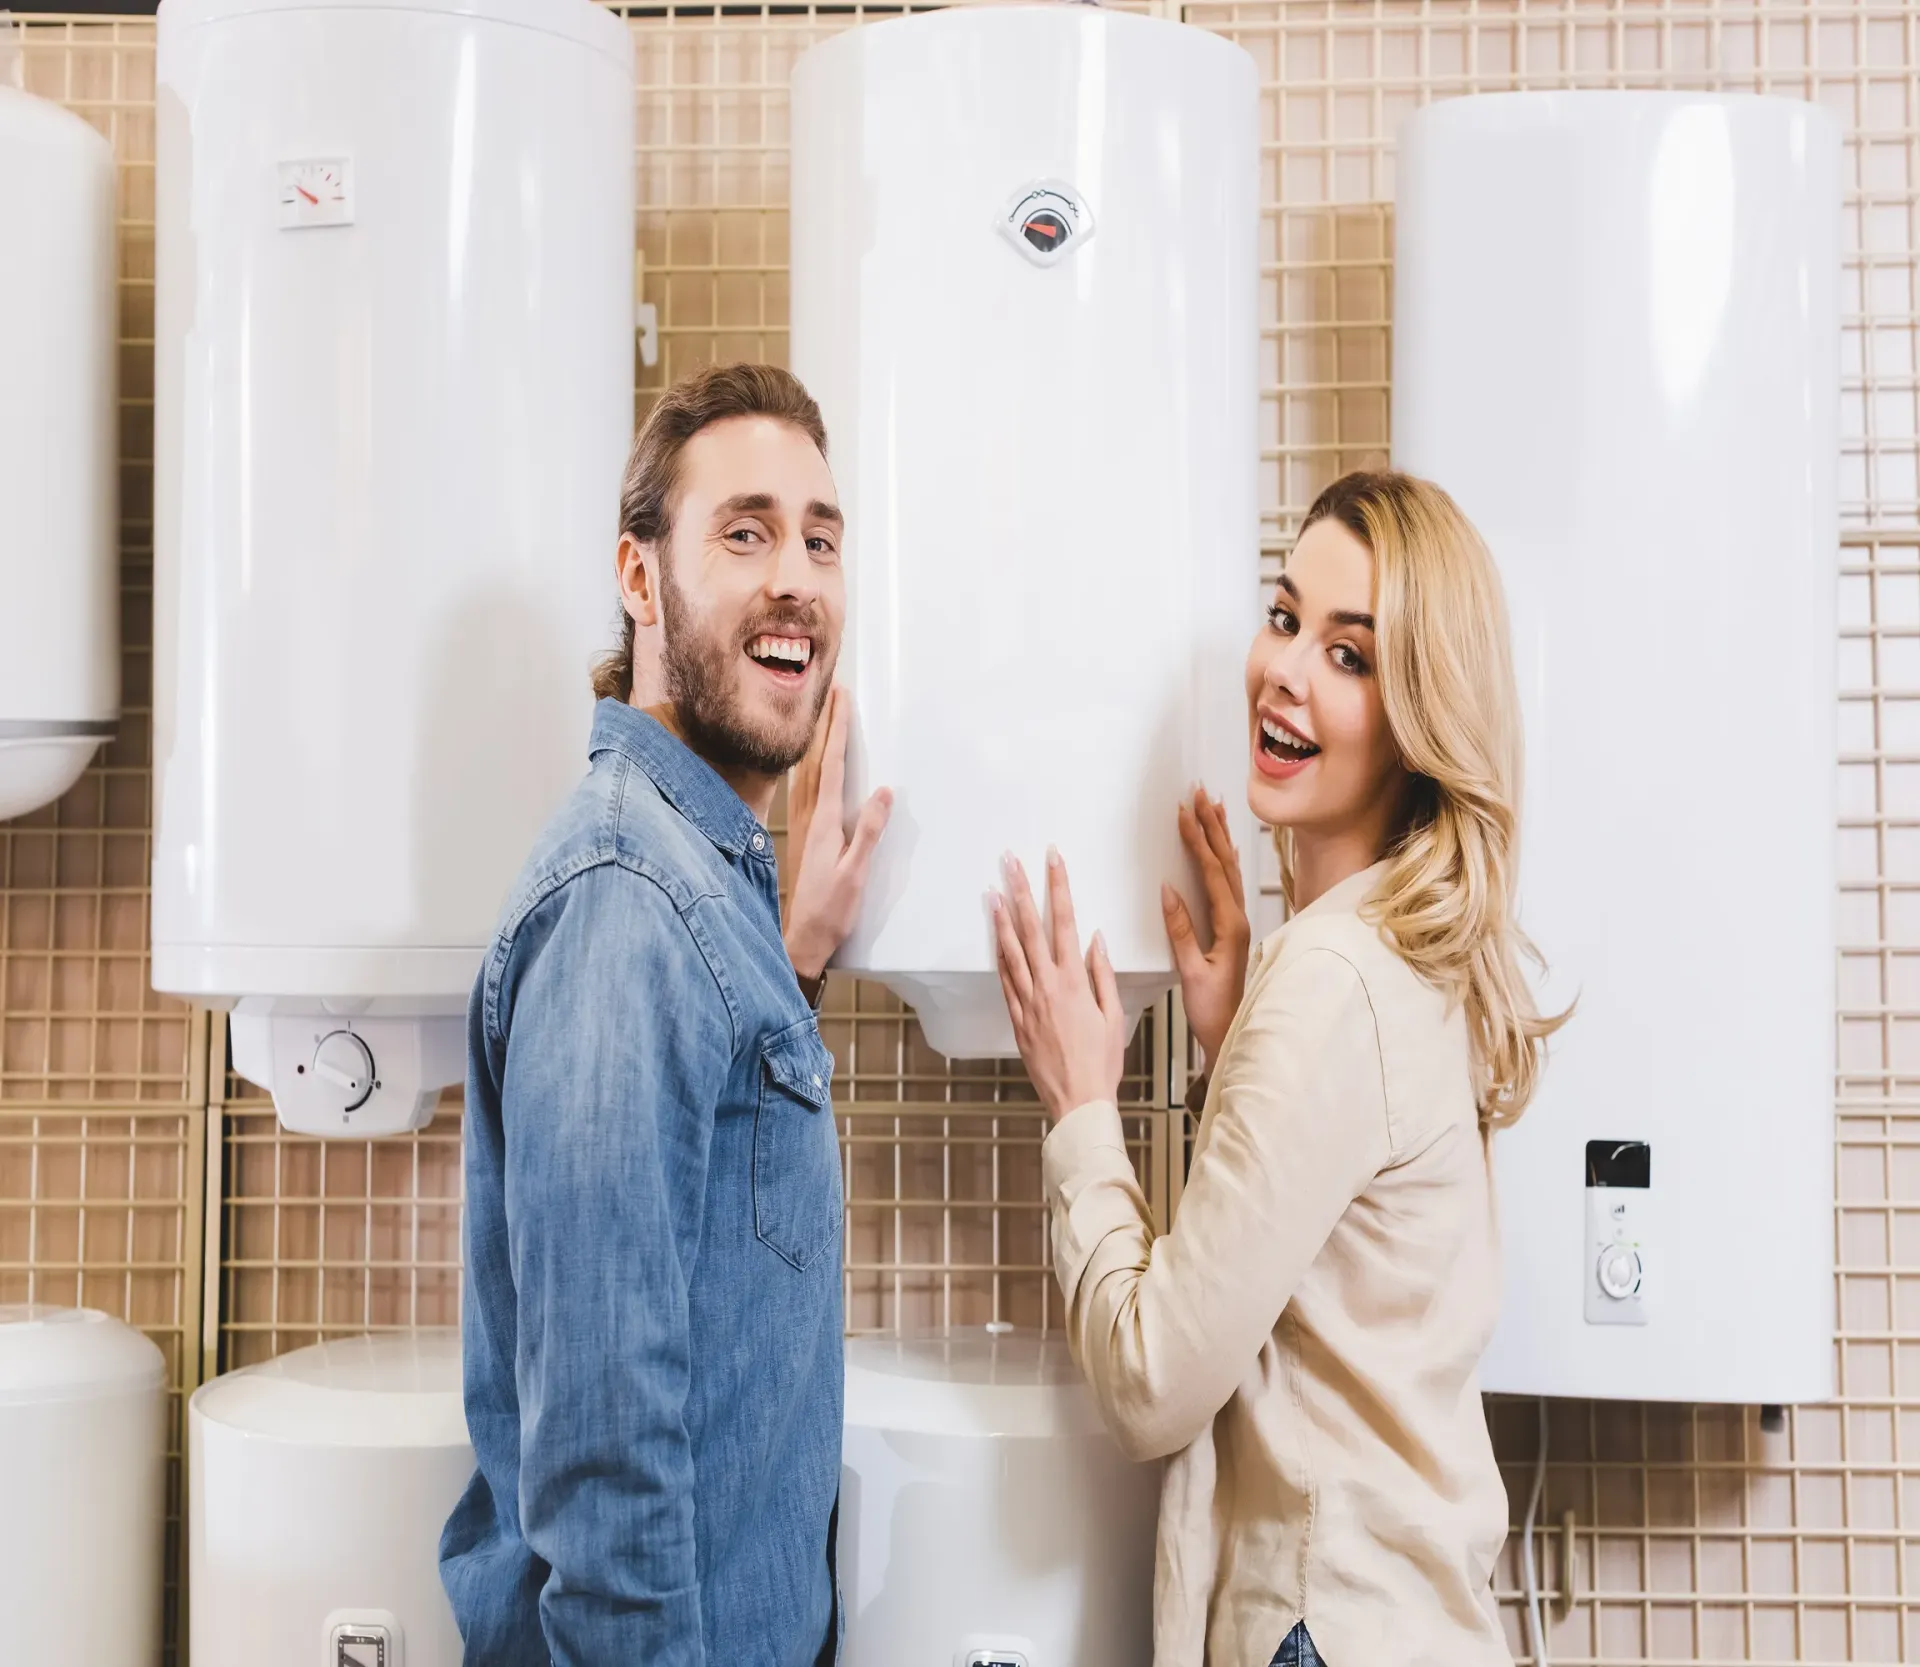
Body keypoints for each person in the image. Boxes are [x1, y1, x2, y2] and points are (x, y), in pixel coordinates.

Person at [989, 469, 1565, 1667]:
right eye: (1287, 616)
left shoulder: (1335, 981)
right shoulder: (1399, 953)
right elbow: (1335, 1269)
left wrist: (1083, 1107)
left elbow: (1151, 1381)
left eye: (1352, 656)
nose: (1287, 670)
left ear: (1420, 717)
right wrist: (1233, 1037)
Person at [440, 363, 891, 1666]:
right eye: (743, 531)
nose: (796, 575)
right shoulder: (627, 906)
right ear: (640, 578)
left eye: (819, 536)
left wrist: (784, 961)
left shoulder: (690, 889)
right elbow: (607, 1464)